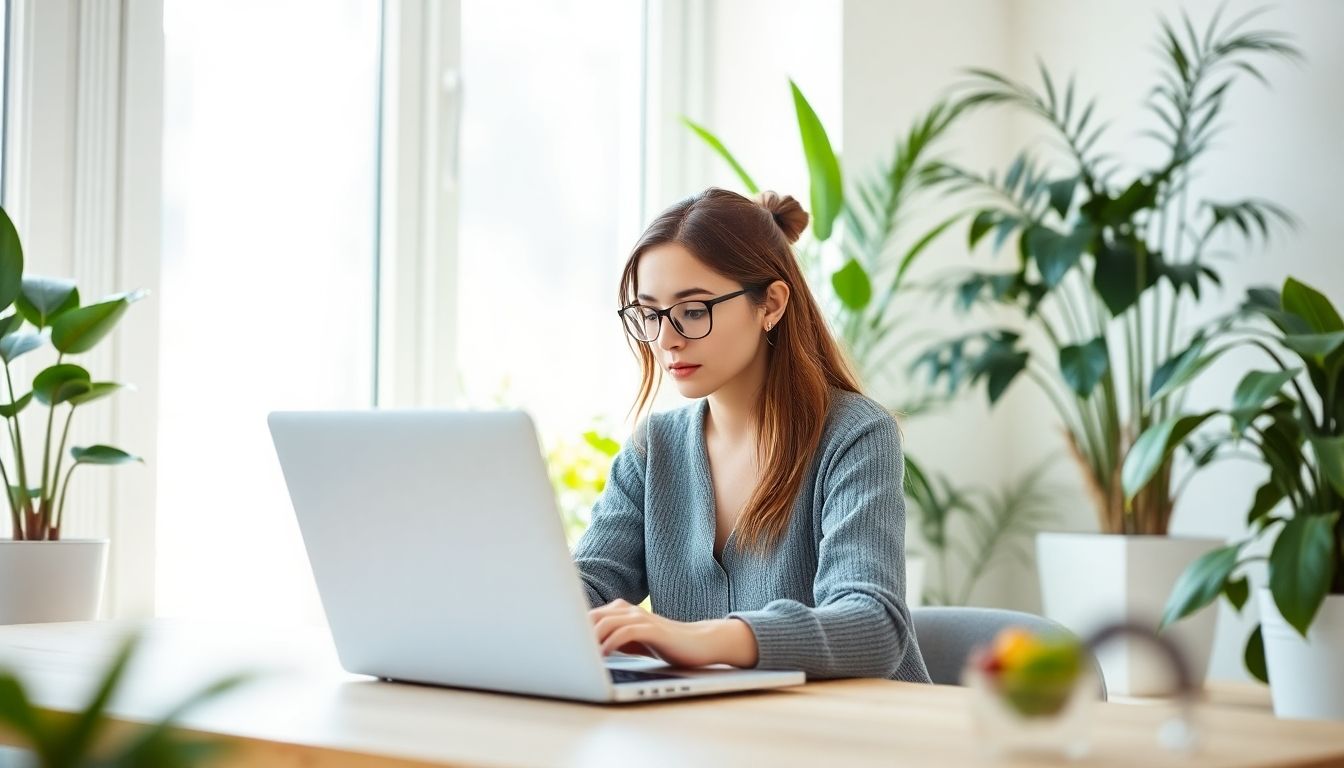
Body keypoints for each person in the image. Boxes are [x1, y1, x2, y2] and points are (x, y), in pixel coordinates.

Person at [575, 187, 930, 683]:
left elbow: (872, 624)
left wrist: (699, 639)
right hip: (725, 737)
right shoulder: (652, 450)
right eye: (649, 314)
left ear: (771, 304)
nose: (665, 338)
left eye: (693, 311)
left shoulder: (854, 435)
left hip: (862, 740)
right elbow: (587, 588)